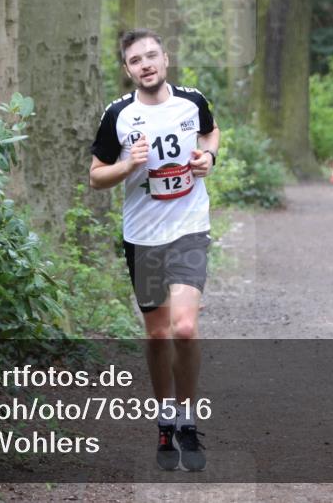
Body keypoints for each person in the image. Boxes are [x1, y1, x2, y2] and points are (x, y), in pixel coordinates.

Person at [89, 28, 219, 472]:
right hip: (143, 237)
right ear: (127, 70)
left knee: (184, 329)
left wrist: (208, 157)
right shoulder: (118, 116)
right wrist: (129, 164)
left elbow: (211, 134)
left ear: (166, 58)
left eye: (152, 56)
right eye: (135, 60)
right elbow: (96, 176)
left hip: (189, 228)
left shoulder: (192, 101)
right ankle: (164, 417)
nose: (145, 64)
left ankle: (186, 417)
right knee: (158, 334)